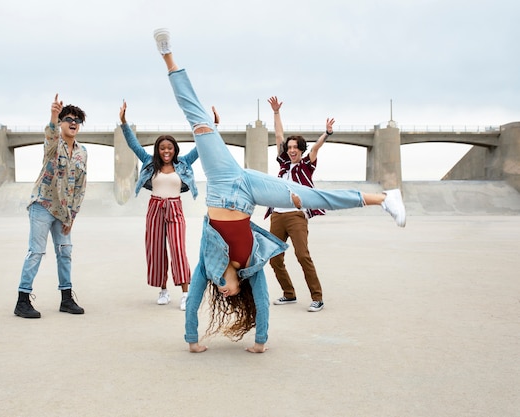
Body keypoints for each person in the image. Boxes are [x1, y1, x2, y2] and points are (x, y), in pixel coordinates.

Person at [152, 28, 406, 353]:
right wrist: (260, 343)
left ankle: (167, 54)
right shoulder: (252, 265)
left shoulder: (207, 265)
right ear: (238, 285)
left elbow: (193, 302)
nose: (223, 290)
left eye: (220, 289)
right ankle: (385, 198)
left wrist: (191, 340)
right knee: (312, 197)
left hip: (221, 182)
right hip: (249, 194)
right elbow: (262, 302)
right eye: (229, 291)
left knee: (198, 121)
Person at [119, 100, 199, 310]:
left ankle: (185, 293)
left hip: (175, 208)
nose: (166, 151)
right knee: (155, 250)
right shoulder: (148, 162)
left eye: (169, 148)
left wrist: (213, 127)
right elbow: (133, 145)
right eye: (162, 148)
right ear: (157, 150)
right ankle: (163, 290)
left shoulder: (183, 163)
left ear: (174, 150)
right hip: (154, 208)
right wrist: (124, 123)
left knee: (178, 249)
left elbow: (201, 147)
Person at [14, 94, 87, 319]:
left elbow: (80, 186)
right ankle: (22, 300)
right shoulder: (54, 145)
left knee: (65, 252)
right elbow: (50, 133)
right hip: (43, 204)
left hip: (64, 212)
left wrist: (72, 216)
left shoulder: (82, 152)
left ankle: (66, 298)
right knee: (36, 252)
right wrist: (54, 115)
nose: (73, 122)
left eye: (77, 120)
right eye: (68, 119)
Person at [264, 95, 331, 312]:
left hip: (296, 216)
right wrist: (276, 112)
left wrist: (327, 133)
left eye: (295, 147)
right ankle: (289, 294)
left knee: (302, 256)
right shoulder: (283, 165)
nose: (291, 150)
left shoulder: (306, 166)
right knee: (274, 258)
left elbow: (316, 148)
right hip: (277, 215)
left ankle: (317, 297)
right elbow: (278, 135)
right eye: (289, 147)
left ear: (301, 150)